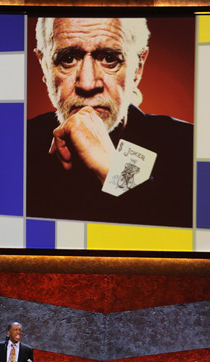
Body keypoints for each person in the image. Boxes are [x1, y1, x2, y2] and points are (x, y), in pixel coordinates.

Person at [27, 17, 193, 228]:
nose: (87, 84)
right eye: (68, 58)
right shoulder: (13, 148)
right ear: (44, 66)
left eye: (109, 58)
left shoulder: (191, 148)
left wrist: (115, 171)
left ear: (138, 68)